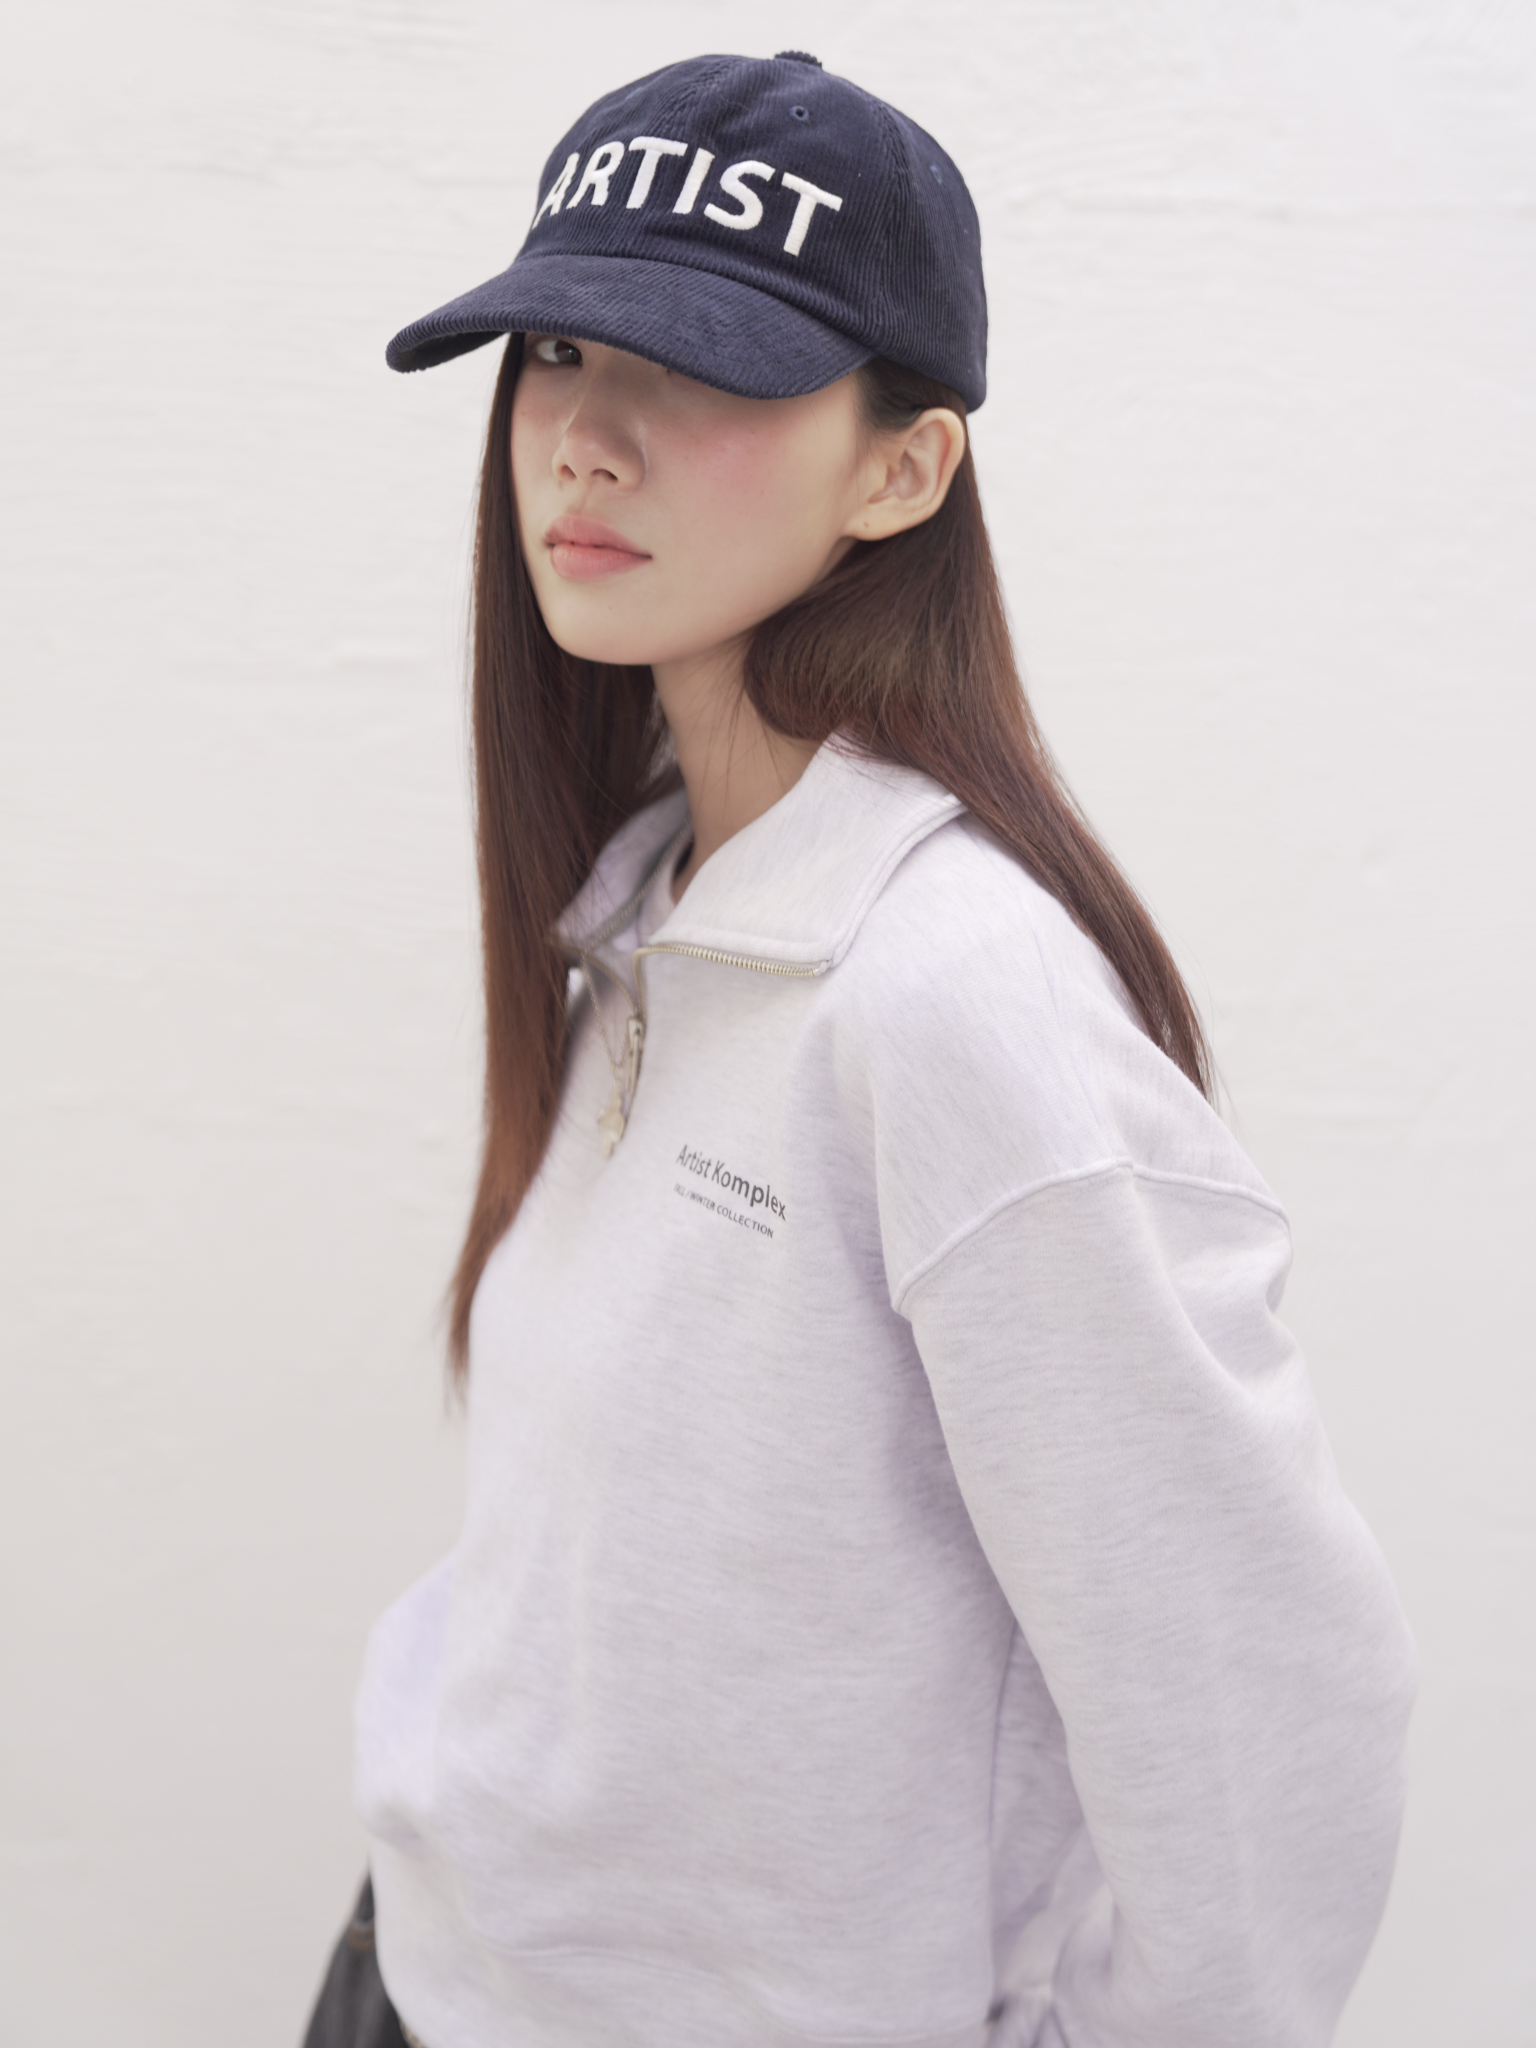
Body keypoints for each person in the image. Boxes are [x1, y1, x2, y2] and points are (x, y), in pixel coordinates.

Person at [303, 50, 1417, 2048]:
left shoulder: (949, 995)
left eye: (700, 367)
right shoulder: (652, 902)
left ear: (904, 468)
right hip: (425, 1969)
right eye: (556, 350)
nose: (588, 440)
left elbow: (1270, 1717)